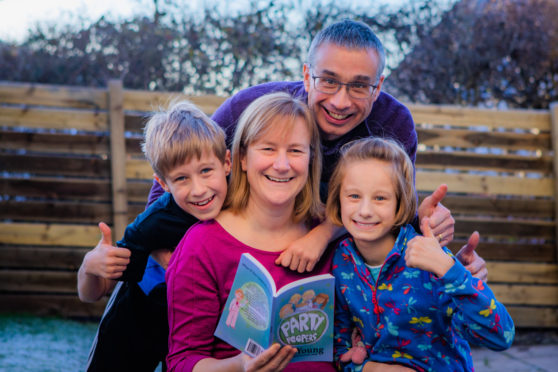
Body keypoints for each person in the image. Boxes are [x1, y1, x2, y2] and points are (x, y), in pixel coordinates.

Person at [147, 19, 487, 279]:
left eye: (358, 86)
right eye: (328, 80)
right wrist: (177, 269)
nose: (340, 101)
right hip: (222, 254)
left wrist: (427, 228)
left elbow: (389, 216)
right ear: (307, 75)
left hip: (325, 270)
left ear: (378, 86)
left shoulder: (394, 124)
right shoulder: (249, 109)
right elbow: (168, 190)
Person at [166, 92, 339, 372]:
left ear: (310, 159)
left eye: (295, 151)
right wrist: (240, 366)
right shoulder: (203, 245)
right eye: (268, 149)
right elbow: (182, 363)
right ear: (242, 159)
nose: (282, 165)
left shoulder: (329, 236)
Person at [326, 137, 514, 371]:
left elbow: (500, 336)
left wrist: (452, 272)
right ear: (337, 199)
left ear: (399, 204)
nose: (364, 211)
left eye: (380, 198)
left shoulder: (430, 257)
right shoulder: (341, 261)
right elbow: (338, 347)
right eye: (354, 196)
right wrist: (368, 368)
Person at [77, 100, 231, 372]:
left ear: (227, 162)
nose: (199, 190)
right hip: (136, 324)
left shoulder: (240, 206)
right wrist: (90, 267)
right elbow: (95, 293)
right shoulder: (152, 223)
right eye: (182, 178)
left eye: (206, 170)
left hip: (194, 333)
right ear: (162, 183)